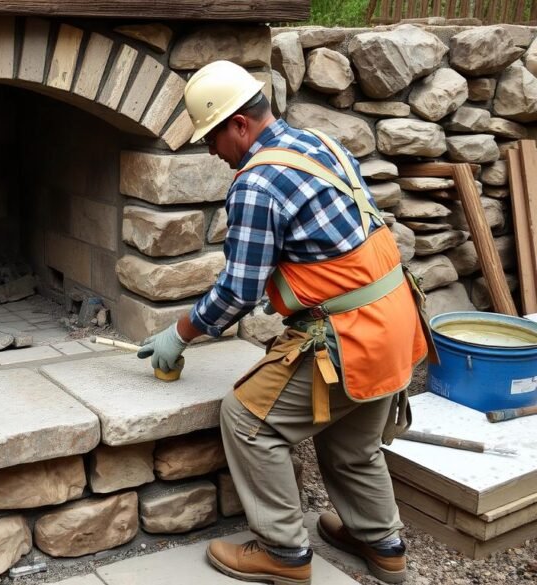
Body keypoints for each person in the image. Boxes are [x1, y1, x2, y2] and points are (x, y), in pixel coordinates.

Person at [137, 60, 434, 585]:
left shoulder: (256, 184)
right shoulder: (319, 144)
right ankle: (383, 545)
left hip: (349, 332)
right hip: (396, 317)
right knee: (351, 442)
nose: (210, 150)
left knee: (247, 420)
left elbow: (238, 292)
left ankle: (284, 554)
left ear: (239, 125)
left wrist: (178, 335)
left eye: (211, 137)